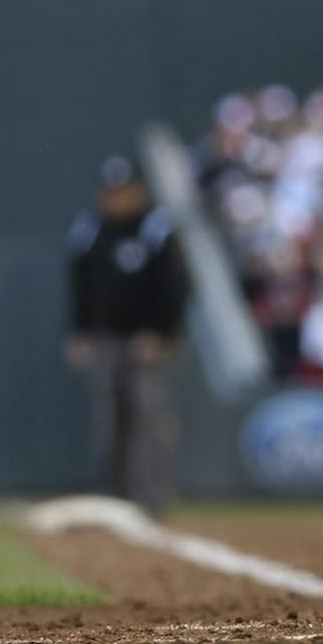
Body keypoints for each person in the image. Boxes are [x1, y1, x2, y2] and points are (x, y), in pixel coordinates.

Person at [66, 155, 190, 514]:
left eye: (122, 191)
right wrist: (80, 331)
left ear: (138, 191)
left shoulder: (157, 228)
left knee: (151, 417)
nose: (115, 199)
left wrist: (161, 333)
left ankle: (153, 499)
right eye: (109, 192)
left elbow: (177, 287)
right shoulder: (89, 229)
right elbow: (80, 285)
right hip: (107, 339)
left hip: (148, 340)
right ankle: (114, 495)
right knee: (111, 418)